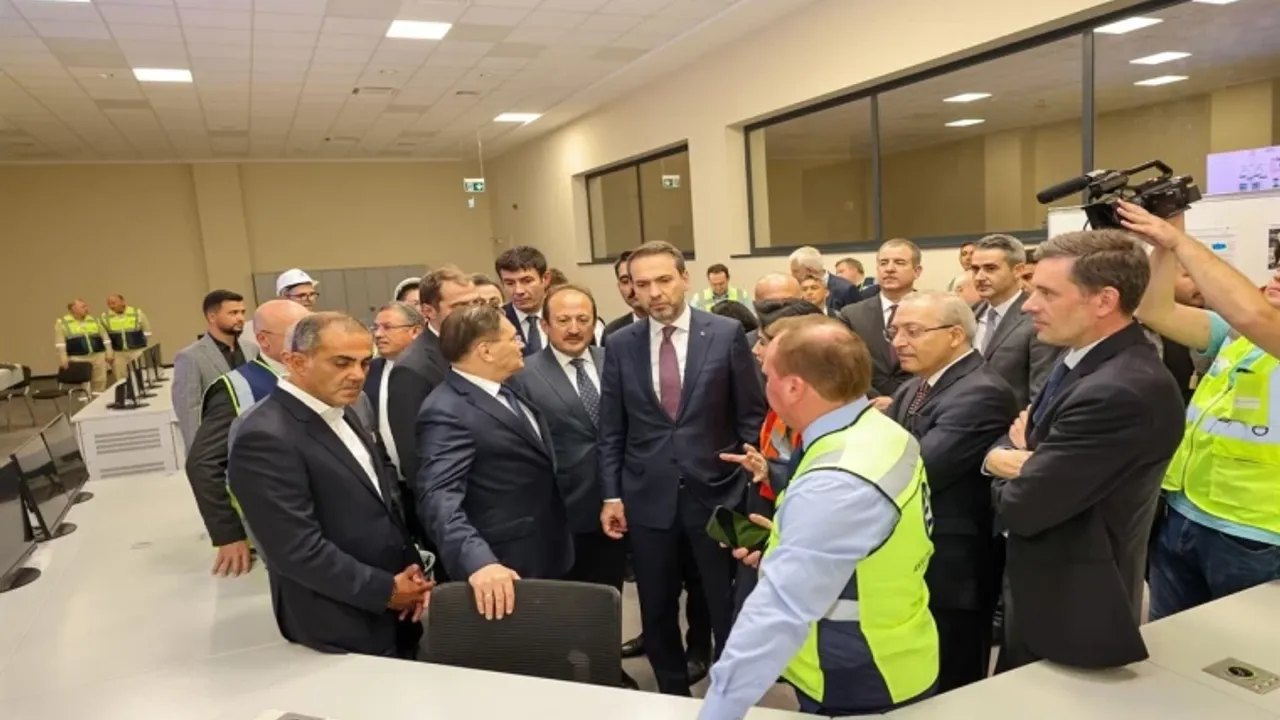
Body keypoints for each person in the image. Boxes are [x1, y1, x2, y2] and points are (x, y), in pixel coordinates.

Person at [702, 315, 937, 719]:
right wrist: (784, 545)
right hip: (898, 646)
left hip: (856, 673)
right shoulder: (879, 432)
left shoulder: (835, 481)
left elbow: (777, 614)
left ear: (794, 387)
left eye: (768, 376)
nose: (764, 386)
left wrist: (718, 712)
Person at [984, 228, 1184, 670]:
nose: (1029, 304)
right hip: (1041, 582)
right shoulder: (1081, 358)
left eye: (1047, 293)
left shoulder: (1119, 391)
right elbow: (1019, 436)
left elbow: (1023, 506)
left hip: (1074, 601)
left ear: (1104, 300)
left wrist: (1011, 463)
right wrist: (1022, 458)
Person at [598, 241, 766, 696]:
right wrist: (611, 495)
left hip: (720, 494)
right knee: (655, 606)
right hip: (647, 499)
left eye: (663, 280)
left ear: (684, 279)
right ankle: (672, 694)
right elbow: (611, 428)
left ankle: (731, 695)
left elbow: (751, 416)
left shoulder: (726, 334)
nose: (654, 292)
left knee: (727, 602)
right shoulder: (620, 344)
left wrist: (753, 486)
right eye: (642, 283)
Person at [228, 312, 430, 657]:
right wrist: (384, 590)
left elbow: (381, 500)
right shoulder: (264, 436)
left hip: (395, 602)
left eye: (364, 363)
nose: (357, 375)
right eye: (342, 363)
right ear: (296, 362)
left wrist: (410, 574)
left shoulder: (345, 408)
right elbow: (295, 548)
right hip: (337, 617)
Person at [1120, 201, 1280, 619]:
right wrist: (1165, 242)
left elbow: (1253, 313)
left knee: (1245, 650)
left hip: (1257, 534)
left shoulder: (1258, 325)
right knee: (1172, 642)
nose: (1277, 275)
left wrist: (1178, 239)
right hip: (1185, 513)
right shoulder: (1239, 336)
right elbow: (1154, 310)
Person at [888, 290, 1017, 692]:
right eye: (894, 331)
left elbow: (920, 467)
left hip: (954, 564)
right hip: (917, 550)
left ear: (955, 335)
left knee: (952, 679)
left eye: (913, 331)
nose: (899, 342)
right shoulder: (916, 386)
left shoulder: (981, 391)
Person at [415, 304, 572, 618]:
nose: (522, 344)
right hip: (504, 566)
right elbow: (438, 498)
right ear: (485, 351)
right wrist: (479, 561)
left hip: (545, 546)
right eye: (512, 339)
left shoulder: (507, 387)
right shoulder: (446, 411)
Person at [185, 299, 310, 577]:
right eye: (298, 333)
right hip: (269, 532)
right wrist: (228, 534)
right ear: (264, 340)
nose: (310, 340)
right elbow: (203, 464)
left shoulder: (313, 375)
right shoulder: (237, 388)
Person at [387, 267, 480, 570]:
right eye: (459, 305)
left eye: (474, 302)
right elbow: (416, 459)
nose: (471, 312)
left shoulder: (477, 345)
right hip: (458, 513)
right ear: (428, 311)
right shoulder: (413, 368)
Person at [970, 234, 1058, 410]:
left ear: (1018, 270)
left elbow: (1040, 393)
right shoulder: (970, 313)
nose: (979, 277)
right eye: (975, 269)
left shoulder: (1037, 317)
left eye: (990, 268)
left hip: (1010, 422)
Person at [839, 238, 921, 403]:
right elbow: (845, 365)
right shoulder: (852, 315)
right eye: (883, 263)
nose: (889, 269)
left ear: (917, 271)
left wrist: (899, 402)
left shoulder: (934, 312)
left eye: (899, 262)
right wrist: (875, 399)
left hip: (920, 404)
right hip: (867, 404)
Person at [173, 290, 254, 452]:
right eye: (233, 313)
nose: (240, 318)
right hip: (218, 444)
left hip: (253, 439)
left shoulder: (251, 349)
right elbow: (189, 412)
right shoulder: (190, 357)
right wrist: (198, 455)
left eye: (242, 312)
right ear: (212, 317)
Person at [364, 301, 424, 474]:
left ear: (415, 331)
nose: (378, 334)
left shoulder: (426, 370)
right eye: (375, 328)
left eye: (387, 327)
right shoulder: (369, 370)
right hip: (387, 475)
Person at [242, 268, 320, 357]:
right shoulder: (260, 326)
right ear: (284, 297)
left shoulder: (320, 324)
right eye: (301, 295)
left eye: (312, 294)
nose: (309, 299)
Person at [496, 245, 552, 356]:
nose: (519, 291)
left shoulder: (563, 316)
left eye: (527, 281)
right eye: (510, 283)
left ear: (545, 279)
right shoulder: (496, 322)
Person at [54, 298, 113, 393]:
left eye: (86, 306)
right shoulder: (62, 323)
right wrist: (63, 358)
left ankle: (99, 399)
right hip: (78, 358)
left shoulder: (94, 320)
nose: (86, 308)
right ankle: (86, 401)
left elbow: (105, 338)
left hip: (98, 356)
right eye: (83, 307)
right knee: (85, 385)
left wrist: (109, 352)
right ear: (74, 309)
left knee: (100, 381)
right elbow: (60, 343)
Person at [788, 246, 857, 313]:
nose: (792, 275)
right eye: (805, 289)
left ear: (810, 270)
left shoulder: (845, 289)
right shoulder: (795, 289)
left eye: (795, 271)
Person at [101, 294, 152, 380]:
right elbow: (106, 338)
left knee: (141, 376)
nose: (111, 306)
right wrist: (109, 352)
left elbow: (147, 331)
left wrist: (142, 344)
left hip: (137, 351)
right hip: (118, 353)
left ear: (122, 302)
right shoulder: (105, 317)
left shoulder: (137, 313)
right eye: (109, 304)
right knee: (121, 378)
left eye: (113, 303)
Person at [603, 250, 647, 339]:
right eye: (625, 281)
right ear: (619, 287)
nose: (632, 287)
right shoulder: (612, 332)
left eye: (639, 280)